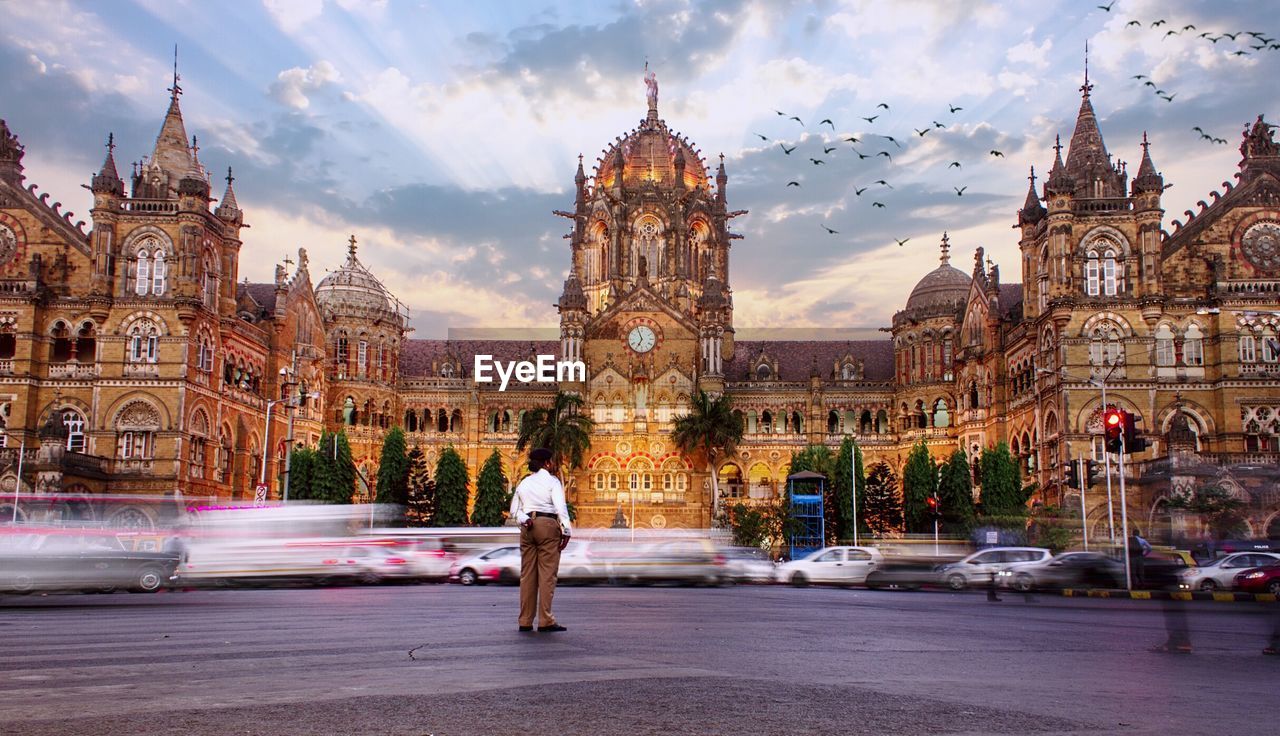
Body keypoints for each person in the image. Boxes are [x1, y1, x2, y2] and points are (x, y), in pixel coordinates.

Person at [509, 447, 572, 633]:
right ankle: (546, 620)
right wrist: (566, 530)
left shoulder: (524, 483)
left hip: (528, 527)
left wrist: (525, 520)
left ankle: (525, 621)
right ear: (546, 463)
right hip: (547, 525)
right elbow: (561, 508)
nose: (552, 464)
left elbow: (514, 510)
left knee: (527, 575)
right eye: (551, 461)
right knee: (547, 576)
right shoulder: (552, 481)